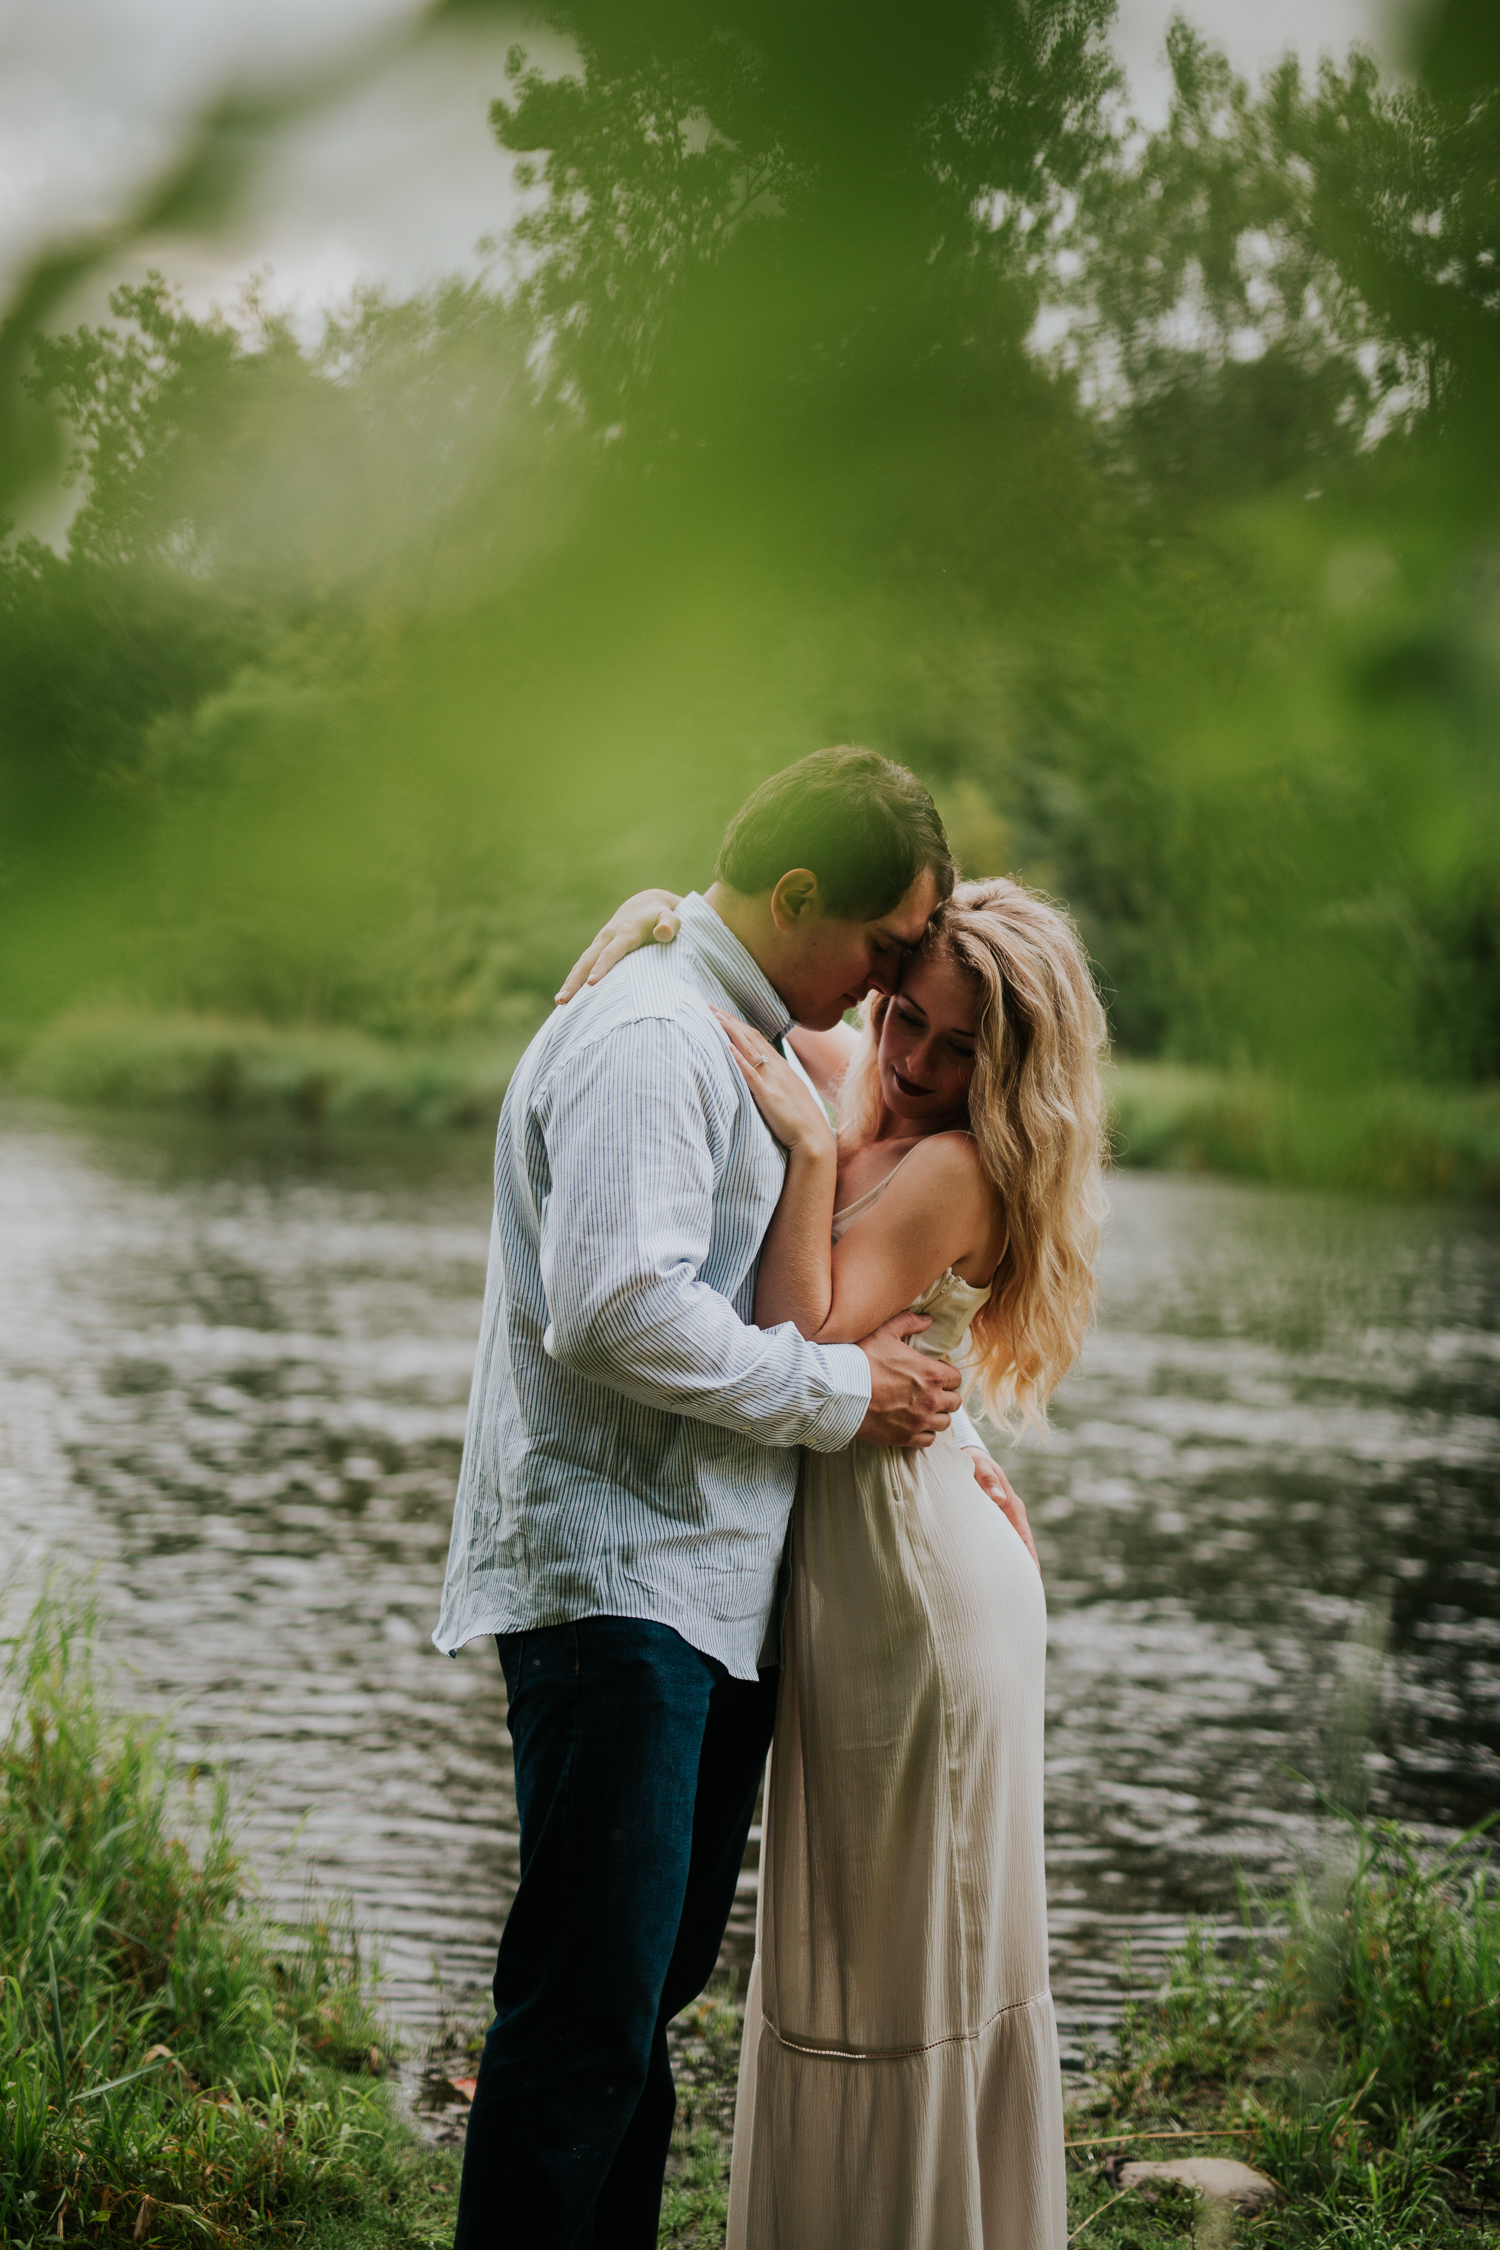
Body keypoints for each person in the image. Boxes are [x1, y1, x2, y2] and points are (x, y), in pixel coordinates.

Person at [435, 747, 1015, 2250]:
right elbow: (617, 1308)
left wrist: (951, 1444)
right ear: (800, 897)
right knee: (583, 2022)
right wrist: (846, 1395)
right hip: (617, 1589)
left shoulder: (732, 1025)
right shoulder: (653, 1038)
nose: (889, 994)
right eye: (885, 954)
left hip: (693, 1594)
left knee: (633, 2011)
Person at [586, 871, 1108, 2249]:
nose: (919, 1064)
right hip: (854, 1571)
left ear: (1010, 1071)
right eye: (906, 1021)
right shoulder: (849, 1061)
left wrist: (813, 1158)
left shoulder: (956, 1164)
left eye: (958, 1050)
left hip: (917, 1596)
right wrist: (647, 911)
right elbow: (712, 963)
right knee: (845, 1960)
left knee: (906, 1962)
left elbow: (798, 1322)